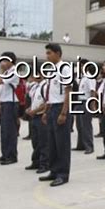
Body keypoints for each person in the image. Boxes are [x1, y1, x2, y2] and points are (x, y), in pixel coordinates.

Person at [39, 43, 73, 187]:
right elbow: (51, 93)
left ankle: (63, 174)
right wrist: (47, 111)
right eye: (46, 53)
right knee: (52, 142)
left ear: (58, 53)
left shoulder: (65, 69)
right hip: (52, 107)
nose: (47, 56)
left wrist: (64, 113)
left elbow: (68, 91)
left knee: (62, 143)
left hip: (61, 108)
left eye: (49, 53)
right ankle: (54, 170)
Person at [0, 51, 20, 165]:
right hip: (5, 102)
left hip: (11, 103)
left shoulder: (14, 71)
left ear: (10, 61)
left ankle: (11, 155)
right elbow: (3, 89)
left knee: (10, 131)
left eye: (4, 60)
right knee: (4, 130)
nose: (2, 63)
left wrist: (1, 70)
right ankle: (5, 154)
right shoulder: (7, 71)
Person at [24, 66, 49, 172]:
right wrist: (30, 109)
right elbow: (34, 101)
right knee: (35, 141)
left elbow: (46, 102)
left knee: (43, 142)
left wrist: (35, 111)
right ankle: (36, 162)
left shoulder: (46, 86)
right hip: (34, 116)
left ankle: (44, 164)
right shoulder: (35, 87)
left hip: (41, 116)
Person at [72, 59, 96, 154]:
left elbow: (92, 91)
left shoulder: (89, 77)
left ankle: (89, 146)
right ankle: (80, 145)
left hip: (86, 102)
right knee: (79, 125)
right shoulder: (82, 77)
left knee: (86, 125)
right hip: (79, 102)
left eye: (81, 66)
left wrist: (92, 105)